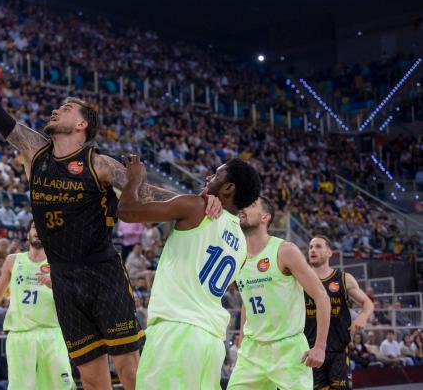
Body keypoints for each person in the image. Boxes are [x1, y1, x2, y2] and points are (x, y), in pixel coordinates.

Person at [0, 14, 178, 390]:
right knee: (91, 380)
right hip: (63, 278)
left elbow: (150, 196)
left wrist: (195, 203)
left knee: (129, 371)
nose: (56, 110)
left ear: (82, 125)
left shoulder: (101, 164)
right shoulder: (35, 151)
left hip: (103, 274)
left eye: (67, 108)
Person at [117, 156, 257, 389]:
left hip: (177, 331)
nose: (208, 177)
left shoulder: (197, 207)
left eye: (216, 175)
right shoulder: (242, 244)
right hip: (211, 342)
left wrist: (135, 178)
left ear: (228, 188)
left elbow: (127, 211)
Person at [227, 196, 331, 390]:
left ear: (265, 217)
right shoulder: (237, 256)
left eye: (250, 205)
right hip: (252, 351)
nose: (242, 208)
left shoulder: (285, 251)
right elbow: (246, 302)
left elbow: (321, 296)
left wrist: (320, 347)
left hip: (288, 349)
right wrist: (241, 340)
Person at [0, 221, 74, 389]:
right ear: (28, 233)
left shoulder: (60, 262)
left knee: (61, 386)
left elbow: (73, 297)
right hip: (20, 334)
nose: (38, 230)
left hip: (51, 332)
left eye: (42, 226)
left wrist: (56, 285)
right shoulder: (13, 260)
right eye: (34, 227)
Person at [305, 235, 374, 389]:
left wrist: (362, 317)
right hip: (311, 351)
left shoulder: (343, 279)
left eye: (318, 246)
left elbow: (367, 303)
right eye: (310, 247)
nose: (312, 250)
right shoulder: (301, 280)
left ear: (330, 252)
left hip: (338, 351)